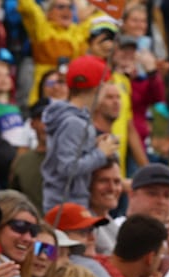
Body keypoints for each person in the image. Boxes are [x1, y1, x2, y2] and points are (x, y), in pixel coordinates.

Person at [42, 55, 118, 212]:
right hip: (65, 205)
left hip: (70, 203)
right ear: (98, 88)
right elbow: (67, 168)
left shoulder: (76, 119)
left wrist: (93, 145)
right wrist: (100, 153)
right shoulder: (74, 123)